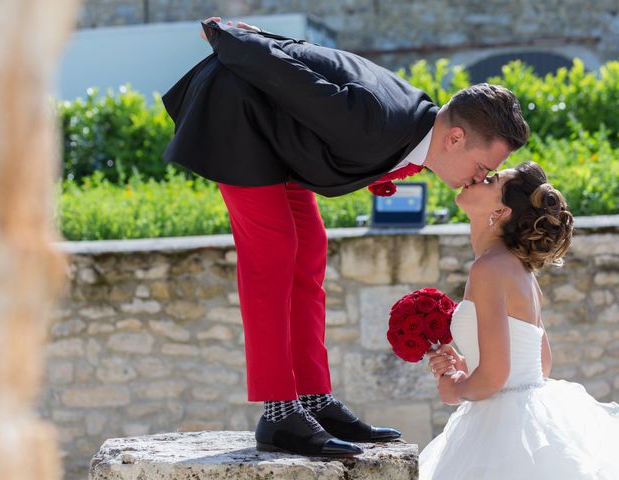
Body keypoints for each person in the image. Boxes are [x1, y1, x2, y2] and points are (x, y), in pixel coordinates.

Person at [161, 16, 530, 457]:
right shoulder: (377, 121)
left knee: (310, 246)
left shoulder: (412, 124)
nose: (480, 178)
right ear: (454, 138)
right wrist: (231, 37)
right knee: (273, 253)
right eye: (483, 168)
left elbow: (316, 62)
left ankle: (314, 400)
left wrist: (260, 38)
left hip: (281, 138)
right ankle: (279, 414)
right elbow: (290, 75)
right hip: (238, 116)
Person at [421, 161, 619, 479]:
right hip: (530, 416)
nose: (479, 179)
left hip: (501, 430)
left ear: (501, 213)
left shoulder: (488, 269)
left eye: (491, 181)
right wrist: (468, 364)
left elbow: (494, 378)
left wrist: (455, 390)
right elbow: (541, 365)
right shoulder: (522, 271)